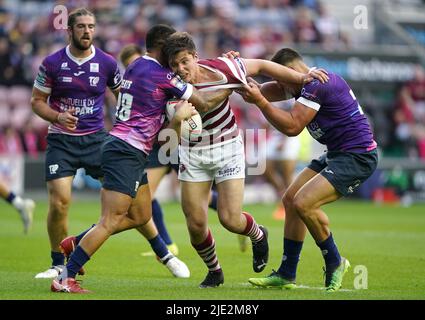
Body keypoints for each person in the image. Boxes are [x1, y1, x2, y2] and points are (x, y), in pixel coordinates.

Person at [50, 24, 231, 293]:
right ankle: (65, 277)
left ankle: (75, 242)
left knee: (141, 215)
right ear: (162, 46)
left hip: (130, 151)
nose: (175, 55)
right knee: (110, 220)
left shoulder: (136, 66)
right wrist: (233, 86)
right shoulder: (162, 75)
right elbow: (203, 103)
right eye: (171, 48)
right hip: (125, 151)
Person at [162, 32, 328, 288]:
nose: (180, 69)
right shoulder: (171, 87)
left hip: (227, 147)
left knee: (230, 219)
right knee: (195, 226)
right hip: (193, 154)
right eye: (174, 65)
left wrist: (302, 77)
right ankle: (214, 271)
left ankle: (258, 234)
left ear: (196, 57)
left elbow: (261, 65)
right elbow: (185, 122)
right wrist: (176, 120)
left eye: (185, 61)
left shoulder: (224, 66)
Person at [30, 9, 187, 280]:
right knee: (60, 202)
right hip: (61, 140)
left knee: (136, 207)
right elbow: (36, 101)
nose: (87, 31)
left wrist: (128, 128)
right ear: (69, 30)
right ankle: (59, 265)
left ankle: (164, 253)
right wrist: (57, 116)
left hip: (98, 139)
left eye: (91, 26)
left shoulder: (107, 63)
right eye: (81, 26)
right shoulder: (52, 63)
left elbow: (125, 94)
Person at [242, 48, 378, 292]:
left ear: (292, 72)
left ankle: (335, 261)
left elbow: (293, 126)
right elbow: (258, 91)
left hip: (357, 156)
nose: (280, 88)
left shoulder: (316, 84)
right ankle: (286, 273)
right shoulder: (304, 82)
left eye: (281, 80)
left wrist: (260, 102)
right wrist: (234, 73)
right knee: (291, 199)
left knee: (304, 202)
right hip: (337, 153)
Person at [118, 44, 221, 257]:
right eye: (129, 67)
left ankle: (234, 216)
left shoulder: (167, 75)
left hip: (178, 142)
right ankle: (167, 244)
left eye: (136, 63)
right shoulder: (131, 86)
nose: (135, 70)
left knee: (201, 198)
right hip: (156, 146)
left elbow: (195, 78)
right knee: (145, 195)